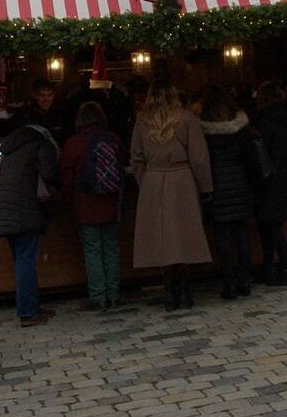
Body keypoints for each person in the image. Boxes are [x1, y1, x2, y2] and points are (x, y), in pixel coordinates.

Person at [131, 81, 213, 311]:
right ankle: (185, 291)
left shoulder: (142, 121)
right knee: (184, 236)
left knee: (161, 239)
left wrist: (146, 182)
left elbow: (136, 158)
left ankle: (169, 292)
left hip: (154, 180)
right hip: (182, 179)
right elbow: (199, 158)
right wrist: (205, 187)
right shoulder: (187, 119)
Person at [0, 118, 61, 327]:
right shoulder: (41, 144)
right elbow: (50, 173)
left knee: (21, 260)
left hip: (6, 209)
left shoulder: (11, 150)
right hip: (26, 209)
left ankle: (30, 306)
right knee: (26, 261)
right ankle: (28, 312)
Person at [59, 102, 124, 311]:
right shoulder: (114, 139)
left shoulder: (73, 143)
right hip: (111, 203)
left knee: (92, 250)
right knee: (111, 249)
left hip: (86, 205)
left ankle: (98, 296)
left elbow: (67, 177)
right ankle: (114, 294)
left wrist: (67, 201)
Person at [198, 85, 258, 300]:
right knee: (242, 237)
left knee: (222, 241)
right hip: (240, 185)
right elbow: (251, 157)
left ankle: (228, 284)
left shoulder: (203, 128)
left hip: (216, 188)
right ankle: (244, 281)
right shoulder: (240, 125)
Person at [253, 82, 287, 286]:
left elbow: (263, 147)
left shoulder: (266, 118)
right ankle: (273, 266)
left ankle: (283, 268)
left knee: (270, 223)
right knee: (274, 222)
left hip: (270, 174)